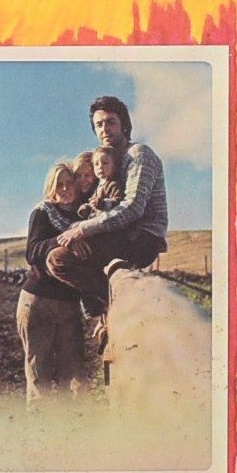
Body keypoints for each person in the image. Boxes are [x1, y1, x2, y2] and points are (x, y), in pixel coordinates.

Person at [45, 95, 169, 343]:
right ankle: (111, 312)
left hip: (141, 238)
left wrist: (82, 230)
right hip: (120, 235)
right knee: (66, 256)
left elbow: (133, 207)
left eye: (111, 122)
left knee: (57, 259)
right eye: (99, 124)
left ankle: (119, 307)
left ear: (124, 125)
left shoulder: (138, 154)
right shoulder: (107, 162)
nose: (105, 129)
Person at [16, 162, 87, 406]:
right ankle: (40, 428)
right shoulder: (42, 213)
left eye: (69, 183)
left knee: (73, 375)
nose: (65, 189)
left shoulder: (84, 217)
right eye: (59, 185)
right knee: (39, 375)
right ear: (51, 188)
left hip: (69, 305)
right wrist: (63, 240)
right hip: (39, 302)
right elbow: (32, 252)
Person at [77, 147, 124, 219]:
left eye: (105, 163)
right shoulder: (97, 186)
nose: (100, 166)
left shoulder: (113, 184)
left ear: (114, 166)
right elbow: (94, 202)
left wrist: (103, 204)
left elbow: (118, 200)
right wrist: (87, 207)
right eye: (96, 164)